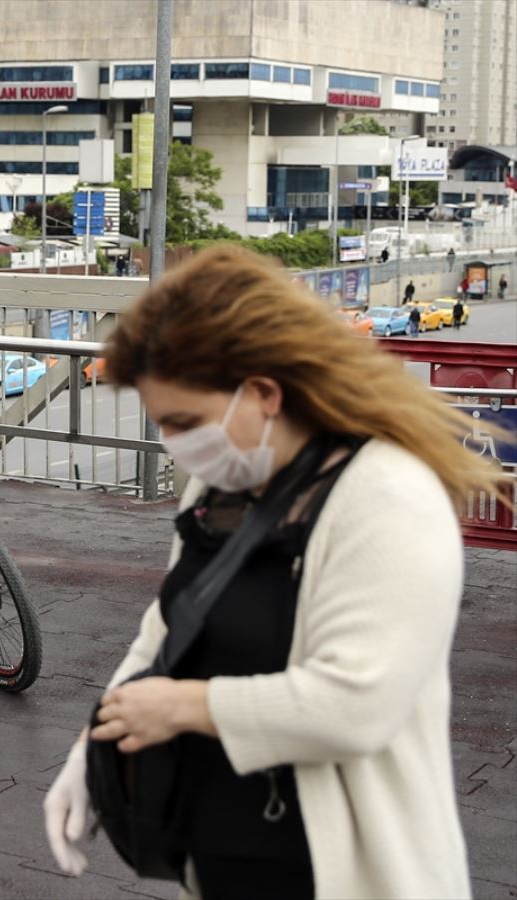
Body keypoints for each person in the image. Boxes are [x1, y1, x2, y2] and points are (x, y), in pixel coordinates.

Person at [44, 245, 502, 898]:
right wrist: (94, 748)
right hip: (229, 859)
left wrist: (183, 706)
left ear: (261, 394)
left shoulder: (389, 496)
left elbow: (355, 704)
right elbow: (169, 627)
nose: (175, 443)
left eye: (185, 421)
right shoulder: (217, 484)